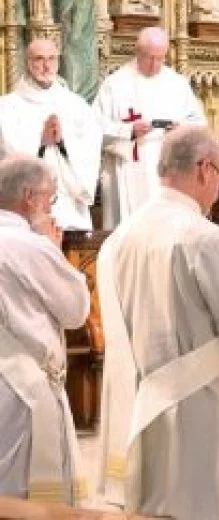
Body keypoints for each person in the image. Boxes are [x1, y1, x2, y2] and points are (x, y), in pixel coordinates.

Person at [97, 125, 219, 519]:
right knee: (202, 504)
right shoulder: (207, 238)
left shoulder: (120, 238)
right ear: (204, 169)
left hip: (140, 404)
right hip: (200, 409)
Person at [0, 154, 90, 503]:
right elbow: (75, 311)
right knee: (27, 495)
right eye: (50, 197)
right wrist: (53, 251)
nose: (51, 206)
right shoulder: (29, 246)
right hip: (21, 388)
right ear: (29, 197)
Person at [93, 26, 206, 229]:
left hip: (168, 169)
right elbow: (93, 128)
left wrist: (181, 130)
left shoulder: (177, 84)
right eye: (149, 57)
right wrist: (128, 131)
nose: (154, 64)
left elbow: (199, 124)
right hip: (130, 166)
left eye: (160, 58)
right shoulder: (115, 84)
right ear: (137, 52)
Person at [0, 39, 102, 230]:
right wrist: (41, 143)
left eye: (52, 59)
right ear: (27, 62)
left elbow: (90, 153)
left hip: (70, 208)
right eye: (39, 59)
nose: (46, 66)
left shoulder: (77, 106)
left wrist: (63, 144)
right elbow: (9, 157)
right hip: (25, 212)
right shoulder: (7, 107)